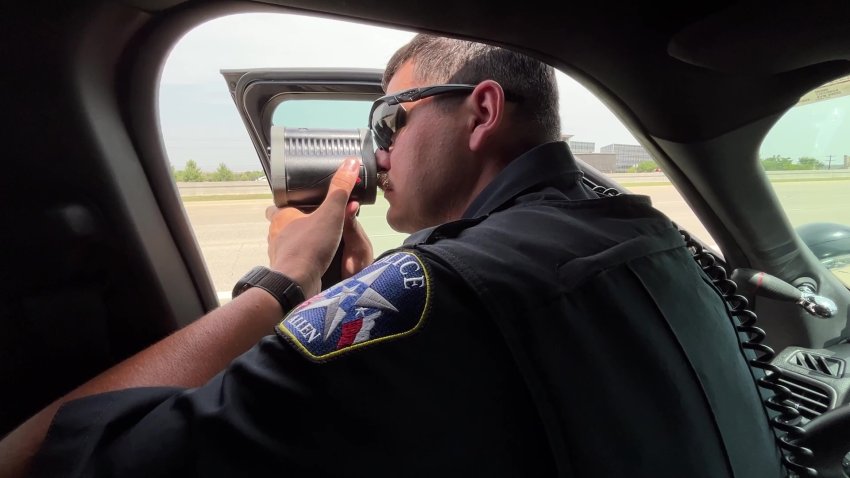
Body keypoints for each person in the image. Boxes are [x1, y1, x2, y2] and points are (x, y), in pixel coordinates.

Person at [0, 34, 783, 477]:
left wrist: (279, 283)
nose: (375, 154)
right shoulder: (646, 235)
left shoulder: (431, 291)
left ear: (480, 111)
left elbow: (53, 463)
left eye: (388, 121)